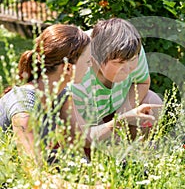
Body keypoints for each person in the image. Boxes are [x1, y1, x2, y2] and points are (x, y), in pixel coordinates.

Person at [0, 24, 159, 187]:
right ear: (69, 67)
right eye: (88, 61)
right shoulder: (24, 106)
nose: (91, 66)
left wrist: (123, 119)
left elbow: (80, 139)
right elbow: (33, 175)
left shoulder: (60, 94)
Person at [71, 18, 163, 141]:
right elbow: (79, 135)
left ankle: (134, 151)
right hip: (83, 127)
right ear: (96, 59)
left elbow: (142, 82)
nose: (128, 68)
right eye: (119, 63)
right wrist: (115, 124)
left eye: (132, 60)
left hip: (115, 111)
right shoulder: (78, 73)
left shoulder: (130, 48)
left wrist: (122, 118)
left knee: (153, 101)